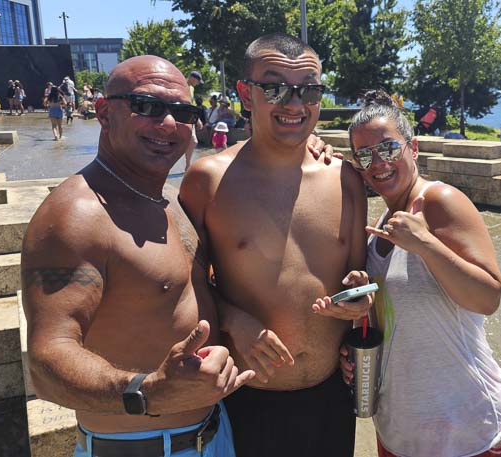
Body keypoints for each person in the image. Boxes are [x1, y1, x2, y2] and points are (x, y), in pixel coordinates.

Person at [21, 55, 254, 457]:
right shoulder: (78, 215)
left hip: (213, 434)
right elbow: (47, 363)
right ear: (104, 112)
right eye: (146, 106)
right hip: (139, 446)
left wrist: (234, 319)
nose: (167, 124)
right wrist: (146, 391)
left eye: (182, 111)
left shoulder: (164, 200)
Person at [179, 33, 372, 457]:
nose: (294, 103)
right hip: (248, 399)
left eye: (309, 89)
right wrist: (235, 321)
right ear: (245, 94)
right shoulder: (208, 181)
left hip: (330, 400)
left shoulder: (347, 181)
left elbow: (359, 281)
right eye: (275, 87)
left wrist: (359, 302)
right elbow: (180, 283)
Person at [336, 90, 501, 457]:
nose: (377, 163)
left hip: (466, 430)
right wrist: (358, 318)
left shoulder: (439, 202)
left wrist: (425, 244)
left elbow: (488, 298)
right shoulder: (382, 225)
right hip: (400, 430)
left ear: (412, 148)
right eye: (364, 155)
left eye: (387, 149)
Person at [184, 70, 204, 170]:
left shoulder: (191, 88)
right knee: (190, 141)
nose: (198, 84)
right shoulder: (182, 84)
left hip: (189, 116)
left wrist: (197, 118)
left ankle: (187, 164)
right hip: (181, 116)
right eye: (197, 81)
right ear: (192, 78)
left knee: (193, 141)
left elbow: (192, 104)